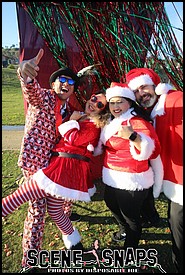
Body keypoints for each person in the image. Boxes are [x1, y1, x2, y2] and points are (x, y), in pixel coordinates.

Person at [2, 90, 109, 252]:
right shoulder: (83, 117)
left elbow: (73, 138)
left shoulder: (94, 126)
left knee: (18, 197)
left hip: (63, 170)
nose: (94, 104)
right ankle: (75, 244)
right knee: (55, 210)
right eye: (94, 98)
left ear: (103, 111)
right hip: (61, 167)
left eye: (100, 104)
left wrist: (72, 121)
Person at [16, 48, 81, 269]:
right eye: (61, 79)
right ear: (53, 84)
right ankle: (30, 261)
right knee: (37, 212)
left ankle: (69, 224)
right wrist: (25, 73)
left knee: (63, 199)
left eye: (70, 82)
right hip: (35, 166)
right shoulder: (44, 97)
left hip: (55, 167)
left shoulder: (69, 110)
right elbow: (31, 91)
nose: (65, 83)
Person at [125, 68, 183, 273]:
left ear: (155, 86)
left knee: (177, 222)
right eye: (137, 91)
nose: (142, 93)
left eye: (144, 87)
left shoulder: (174, 100)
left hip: (181, 182)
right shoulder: (149, 113)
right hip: (173, 180)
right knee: (176, 222)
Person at [94, 82, 163, 249]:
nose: (115, 106)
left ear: (130, 102)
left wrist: (133, 137)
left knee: (131, 218)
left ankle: (129, 250)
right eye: (112, 102)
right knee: (111, 203)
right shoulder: (111, 121)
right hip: (112, 177)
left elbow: (154, 151)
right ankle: (124, 229)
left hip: (132, 179)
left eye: (120, 102)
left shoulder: (137, 122)